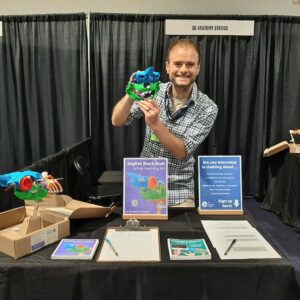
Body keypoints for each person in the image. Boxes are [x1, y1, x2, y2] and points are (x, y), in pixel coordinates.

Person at [111, 38, 218, 207]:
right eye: (178, 64)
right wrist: (131, 93)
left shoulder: (208, 108)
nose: (183, 70)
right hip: (144, 184)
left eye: (190, 64)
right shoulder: (154, 91)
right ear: (168, 67)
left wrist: (155, 124)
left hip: (179, 192)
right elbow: (117, 120)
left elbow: (182, 152)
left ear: (198, 68)